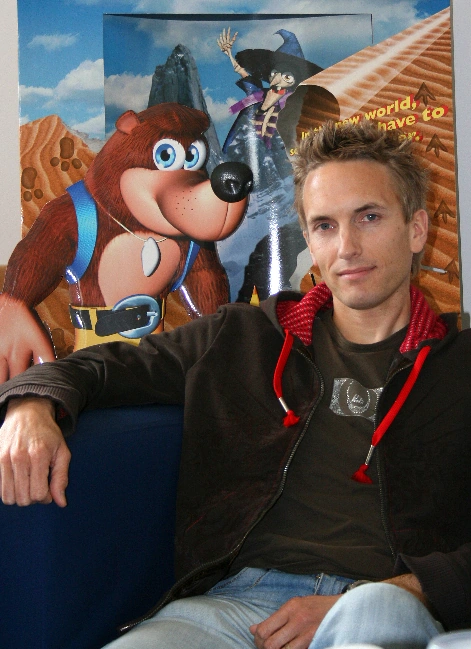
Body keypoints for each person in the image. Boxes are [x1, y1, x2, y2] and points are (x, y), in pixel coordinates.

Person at [0, 120, 470, 649]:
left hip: (388, 602)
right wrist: (31, 404)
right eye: (324, 225)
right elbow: (98, 368)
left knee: (373, 615)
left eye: (369, 217)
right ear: (309, 239)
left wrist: (405, 589)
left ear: (416, 229)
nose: (347, 246)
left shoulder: (460, 365)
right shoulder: (244, 337)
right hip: (236, 606)